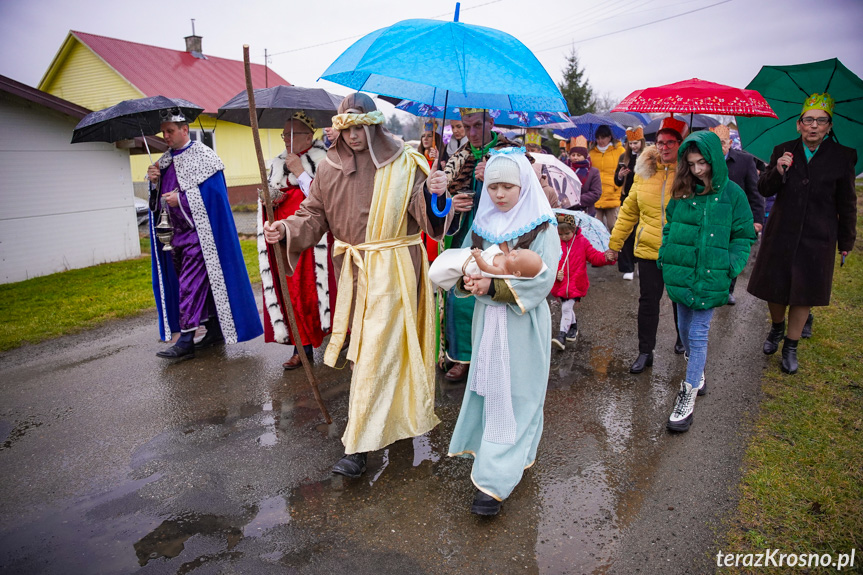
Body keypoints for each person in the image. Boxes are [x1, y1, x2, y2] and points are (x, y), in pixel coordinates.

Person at [262, 93, 452, 477]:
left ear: (374, 124)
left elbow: (424, 211)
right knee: (373, 352)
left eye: (360, 126)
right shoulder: (329, 170)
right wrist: (284, 228)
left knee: (374, 353)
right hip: (353, 273)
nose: (353, 135)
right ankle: (391, 421)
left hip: (395, 270)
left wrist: (436, 194)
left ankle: (359, 446)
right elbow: (312, 216)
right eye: (346, 128)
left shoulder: (405, 163)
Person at [447, 148, 560, 515]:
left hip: (522, 325)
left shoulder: (543, 226)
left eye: (507, 186)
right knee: (491, 389)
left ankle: (494, 483)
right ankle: (500, 455)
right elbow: (465, 259)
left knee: (519, 394)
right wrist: (467, 278)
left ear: (523, 185)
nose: (498, 194)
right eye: (493, 186)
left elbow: (543, 279)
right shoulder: (482, 223)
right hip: (487, 323)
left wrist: (494, 287)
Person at [746, 93, 857, 374]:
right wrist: (779, 169)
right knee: (775, 286)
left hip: (818, 237)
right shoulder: (783, 150)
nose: (814, 126)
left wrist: (846, 240)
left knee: (804, 293)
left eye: (821, 121)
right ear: (799, 124)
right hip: (781, 232)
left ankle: (791, 346)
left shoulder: (843, 157)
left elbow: (847, 202)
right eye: (809, 120)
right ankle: (776, 328)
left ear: (829, 127)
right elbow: (764, 189)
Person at [659, 131, 755, 431]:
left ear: (714, 159)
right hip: (682, 272)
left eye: (703, 162)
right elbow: (670, 226)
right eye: (692, 164)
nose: (699, 170)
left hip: (713, 275)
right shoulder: (683, 191)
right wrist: (666, 254)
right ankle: (697, 370)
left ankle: (688, 394)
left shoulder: (733, 195)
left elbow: (744, 236)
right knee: (684, 329)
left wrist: (730, 266)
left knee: (698, 334)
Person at [147, 108, 262, 359]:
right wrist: (154, 183)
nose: (165, 136)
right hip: (175, 238)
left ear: (184, 130)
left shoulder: (205, 157)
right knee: (200, 286)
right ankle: (214, 330)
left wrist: (182, 200)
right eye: (163, 131)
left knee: (189, 285)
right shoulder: (164, 162)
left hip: (200, 237)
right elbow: (158, 203)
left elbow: (215, 197)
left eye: (170, 131)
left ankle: (186, 339)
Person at [606, 117, 687, 373]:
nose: (664, 147)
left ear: (681, 144)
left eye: (670, 143)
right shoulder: (644, 171)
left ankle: (683, 341)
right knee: (648, 301)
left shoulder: (690, 173)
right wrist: (615, 244)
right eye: (660, 142)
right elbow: (629, 211)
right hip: (650, 249)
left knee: (681, 300)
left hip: (679, 249)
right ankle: (645, 351)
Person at [259, 112, 334, 370]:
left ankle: (313, 344)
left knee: (309, 293)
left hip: (311, 241)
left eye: (292, 134)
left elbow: (324, 198)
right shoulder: (277, 162)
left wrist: (301, 172)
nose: (286, 140)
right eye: (284, 135)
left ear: (309, 136)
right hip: (281, 236)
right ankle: (299, 346)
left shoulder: (323, 161)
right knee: (288, 291)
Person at [709, 125, 765, 305]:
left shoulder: (745, 160)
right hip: (710, 214)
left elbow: (754, 192)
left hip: (734, 217)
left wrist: (757, 220)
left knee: (731, 254)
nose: (719, 147)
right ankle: (711, 287)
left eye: (723, 143)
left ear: (730, 143)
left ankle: (728, 290)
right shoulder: (705, 159)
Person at [551, 212, 615, 350]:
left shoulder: (582, 242)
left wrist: (606, 257)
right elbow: (550, 262)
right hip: (560, 284)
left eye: (567, 233)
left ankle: (561, 335)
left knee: (566, 308)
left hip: (576, 283)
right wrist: (556, 272)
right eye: (560, 234)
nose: (563, 237)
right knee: (566, 308)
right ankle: (573, 326)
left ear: (574, 230)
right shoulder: (555, 244)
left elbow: (594, 257)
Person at [429, 244, 543, 291]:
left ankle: (437, 274)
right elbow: (504, 250)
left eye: (515, 257)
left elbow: (486, 268)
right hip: (480, 255)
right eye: (517, 252)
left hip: (476, 262)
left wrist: (478, 257)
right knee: (451, 256)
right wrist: (503, 241)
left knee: (450, 264)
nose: (513, 253)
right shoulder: (508, 259)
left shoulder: (502, 271)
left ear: (517, 273)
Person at [613, 126, 645, 280]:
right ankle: (628, 266)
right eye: (631, 143)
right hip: (626, 198)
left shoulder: (647, 156)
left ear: (642, 142)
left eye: (636, 143)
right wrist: (620, 175)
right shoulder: (623, 157)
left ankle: (640, 263)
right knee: (626, 231)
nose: (633, 146)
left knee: (641, 232)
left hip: (643, 198)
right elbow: (617, 182)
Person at [589, 125, 626, 232]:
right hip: (597, 195)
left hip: (613, 194)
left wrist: (616, 186)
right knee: (595, 229)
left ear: (609, 137)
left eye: (603, 137)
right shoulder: (591, 153)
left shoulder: (620, 151)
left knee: (614, 227)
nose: (600, 141)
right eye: (598, 138)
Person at [568, 144, 602, 213]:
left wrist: (576, 200)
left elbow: (596, 193)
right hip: (566, 209)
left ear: (585, 156)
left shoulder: (593, 172)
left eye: (579, 155)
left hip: (586, 210)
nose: (575, 157)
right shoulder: (565, 169)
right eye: (573, 155)